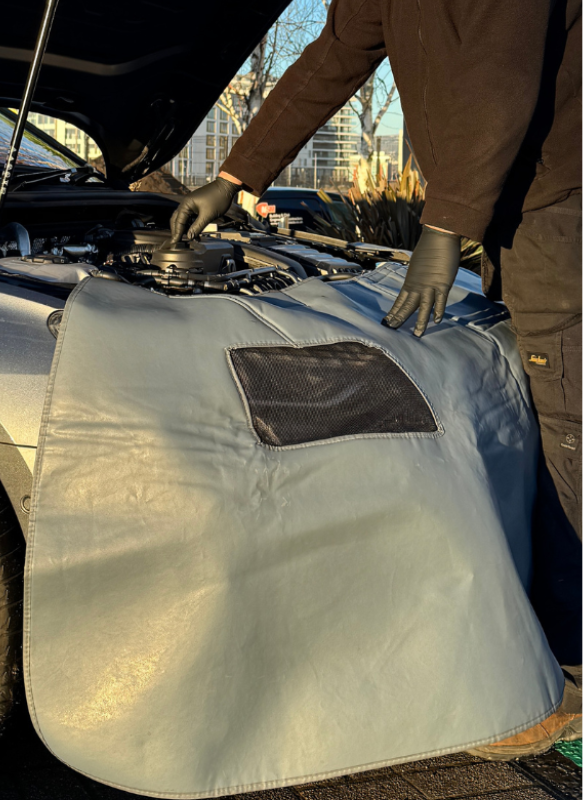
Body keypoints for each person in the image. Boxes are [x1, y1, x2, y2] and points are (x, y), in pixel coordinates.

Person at [168, 0, 581, 759]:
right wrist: (232, 177)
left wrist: (444, 227)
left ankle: (566, 675)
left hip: (563, 207)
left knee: (571, 435)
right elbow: (334, 57)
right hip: (508, 212)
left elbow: (501, 72)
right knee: (519, 415)